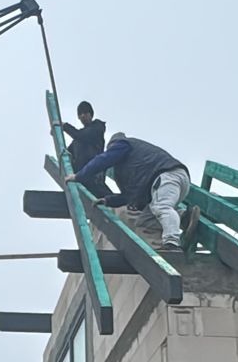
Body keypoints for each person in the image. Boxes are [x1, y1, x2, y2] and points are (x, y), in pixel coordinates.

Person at [69, 132, 197, 251]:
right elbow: (130, 196)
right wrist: (108, 200)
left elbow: (103, 160)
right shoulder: (130, 167)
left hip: (166, 175)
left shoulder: (123, 145)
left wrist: (79, 176)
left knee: (161, 207)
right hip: (173, 180)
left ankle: (172, 243)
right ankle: (184, 217)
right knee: (144, 221)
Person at [59, 102, 109, 199]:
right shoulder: (77, 140)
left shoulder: (97, 127)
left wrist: (64, 126)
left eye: (85, 113)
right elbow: (68, 152)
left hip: (93, 174)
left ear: (91, 114)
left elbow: (81, 136)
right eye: (80, 114)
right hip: (81, 174)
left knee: (103, 196)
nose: (82, 116)